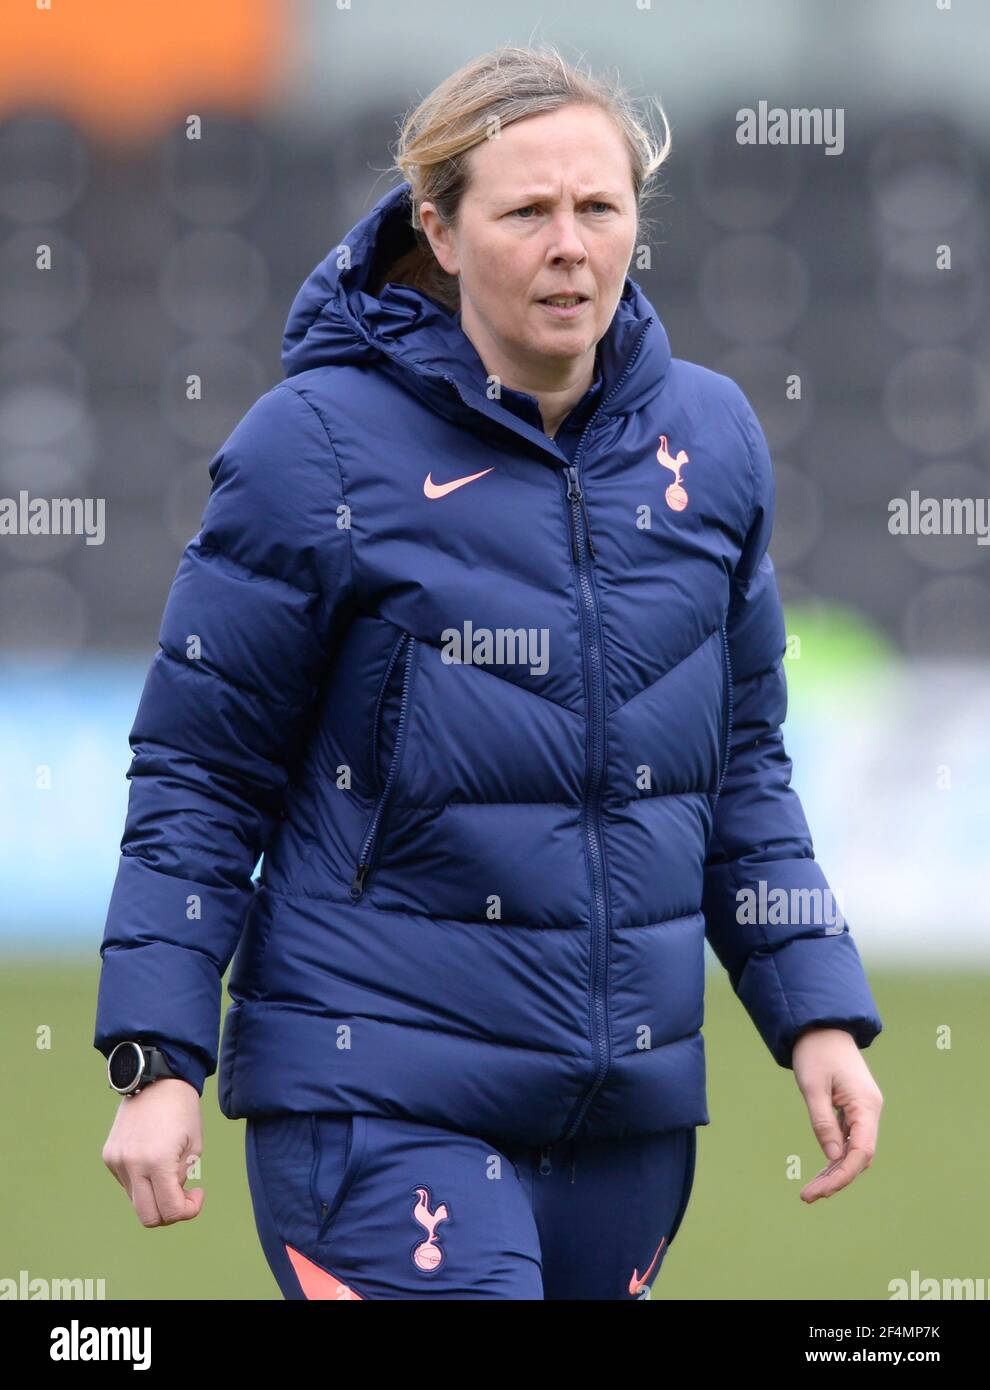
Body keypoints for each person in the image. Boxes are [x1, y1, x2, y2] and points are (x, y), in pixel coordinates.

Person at [96, 44, 883, 1301]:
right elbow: (199, 772)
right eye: (526, 211)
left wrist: (816, 1008)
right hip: (376, 1098)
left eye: (598, 208)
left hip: (621, 1117)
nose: (569, 245)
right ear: (440, 231)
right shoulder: (315, 450)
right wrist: (158, 1058)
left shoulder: (715, 442)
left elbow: (741, 768)